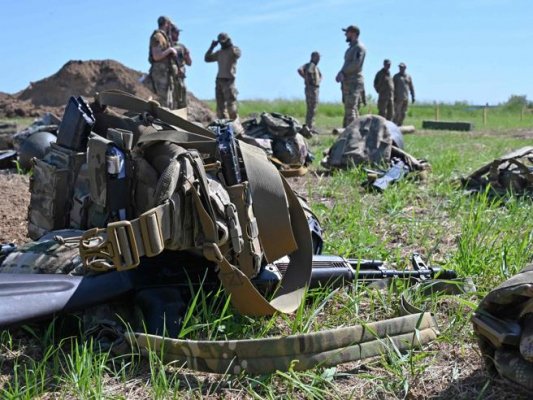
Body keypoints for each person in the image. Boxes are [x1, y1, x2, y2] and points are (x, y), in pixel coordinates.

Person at [204, 32, 241, 120]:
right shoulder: (219, 52)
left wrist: (231, 45)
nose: (222, 43)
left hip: (228, 81)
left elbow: (237, 54)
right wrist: (212, 46)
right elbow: (207, 58)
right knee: (220, 107)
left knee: (231, 105)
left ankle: (235, 124)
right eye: (221, 42)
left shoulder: (234, 50)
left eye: (224, 41)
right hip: (219, 80)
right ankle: (223, 125)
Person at [335, 25, 366, 128]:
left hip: (354, 81)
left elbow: (356, 64)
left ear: (353, 33)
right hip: (348, 81)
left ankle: (352, 135)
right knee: (351, 109)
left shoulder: (359, 47)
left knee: (351, 109)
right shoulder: (352, 48)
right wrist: (341, 72)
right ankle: (354, 132)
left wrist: (343, 72)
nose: (345, 34)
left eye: (347, 32)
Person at [148, 16, 178, 108]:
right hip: (160, 73)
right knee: (161, 101)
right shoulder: (158, 36)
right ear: (167, 24)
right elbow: (156, 56)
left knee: (167, 102)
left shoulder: (164, 37)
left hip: (165, 73)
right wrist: (169, 50)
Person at [297, 51, 322, 131]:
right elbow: (300, 70)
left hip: (315, 88)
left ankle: (311, 126)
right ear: (313, 57)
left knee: (313, 108)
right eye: (317, 57)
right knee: (311, 108)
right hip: (311, 88)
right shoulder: (310, 65)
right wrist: (306, 78)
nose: (319, 59)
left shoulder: (316, 67)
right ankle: (309, 127)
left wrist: (318, 81)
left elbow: (321, 76)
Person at [169, 24, 192, 110]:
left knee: (182, 103)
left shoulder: (182, 47)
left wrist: (186, 54)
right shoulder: (167, 46)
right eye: (176, 32)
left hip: (180, 79)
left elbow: (189, 62)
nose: (178, 34)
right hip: (170, 79)